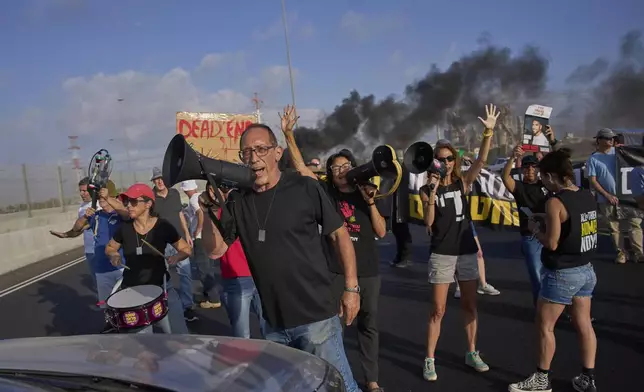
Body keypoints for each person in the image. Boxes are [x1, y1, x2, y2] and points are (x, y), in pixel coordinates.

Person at [201, 123, 362, 392]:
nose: (254, 157)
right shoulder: (238, 200)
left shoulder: (304, 187)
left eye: (261, 149)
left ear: (277, 152)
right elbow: (215, 250)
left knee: (339, 387)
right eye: (247, 152)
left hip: (316, 318)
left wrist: (351, 288)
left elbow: (339, 234)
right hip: (273, 324)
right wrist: (206, 210)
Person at [279, 105, 387, 392]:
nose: (340, 171)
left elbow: (381, 231)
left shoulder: (368, 193)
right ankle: (334, 377)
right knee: (330, 330)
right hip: (335, 271)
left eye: (345, 166)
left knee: (369, 326)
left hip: (368, 272)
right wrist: (288, 134)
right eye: (335, 167)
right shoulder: (325, 192)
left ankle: (372, 380)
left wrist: (372, 201)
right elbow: (302, 169)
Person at [419, 104, 500, 382]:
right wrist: (432, 190)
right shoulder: (426, 188)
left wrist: (488, 132)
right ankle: (429, 359)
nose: (446, 163)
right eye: (441, 159)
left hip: (465, 251)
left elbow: (481, 161)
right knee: (438, 309)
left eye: (450, 158)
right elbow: (428, 222)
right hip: (441, 252)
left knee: (470, 306)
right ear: (435, 162)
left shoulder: (463, 182)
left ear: (455, 159)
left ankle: (472, 352)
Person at [510, 148, 598, 392]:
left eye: (543, 175)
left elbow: (552, 243)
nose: (542, 181)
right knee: (584, 324)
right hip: (586, 271)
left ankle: (541, 379)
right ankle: (587, 377)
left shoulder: (555, 201)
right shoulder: (587, 195)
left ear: (550, 176)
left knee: (545, 325)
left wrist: (536, 230)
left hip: (562, 272)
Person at [105, 183, 193, 334]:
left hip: (162, 288)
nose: (129, 206)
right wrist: (114, 255)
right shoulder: (124, 228)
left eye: (133, 202)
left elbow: (186, 249)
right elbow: (110, 247)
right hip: (132, 291)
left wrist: (177, 257)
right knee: (142, 349)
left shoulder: (162, 226)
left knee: (179, 338)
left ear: (148, 204)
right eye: (127, 202)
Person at [200, 183, 265, 339]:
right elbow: (212, 250)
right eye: (211, 189)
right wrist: (208, 211)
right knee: (242, 332)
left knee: (271, 329)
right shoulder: (215, 211)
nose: (214, 192)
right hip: (236, 277)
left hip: (260, 273)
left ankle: (272, 360)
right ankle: (242, 362)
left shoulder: (243, 203)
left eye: (218, 188)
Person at [71, 185, 128, 333]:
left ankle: (128, 326)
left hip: (121, 266)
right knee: (107, 303)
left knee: (125, 301)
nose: (101, 201)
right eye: (100, 198)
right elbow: (77, 228)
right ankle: (111, 325)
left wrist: (108, 197)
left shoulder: (121, 215)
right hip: (102, 268)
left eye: (104, 198)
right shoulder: (96, 216)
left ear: (112, 197)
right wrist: (85, 216)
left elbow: (126, 213)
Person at [502, 148, 551, 306]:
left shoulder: (546, 185)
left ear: (538, 169)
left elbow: (561, 171)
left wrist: (551, 143)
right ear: (522, 170)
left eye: (533, 166)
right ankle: (540, 308)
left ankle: (562, 308)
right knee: (537, 275)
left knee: (556, 274)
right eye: (527, 167)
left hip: (552, 234)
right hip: (531, 237)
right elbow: (504, 177)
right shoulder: (519, 187)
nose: (530, 169)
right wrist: (512, 157)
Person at [587, 128, 643, 263]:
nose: (611, 140)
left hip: (628, 197)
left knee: (634, 224)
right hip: (606, 199)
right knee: (614, 228)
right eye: (607, 138)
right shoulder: (593, 158)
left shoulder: (620, 153)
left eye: (612, 138)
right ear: (598, 140)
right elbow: (593, 180)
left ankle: (639, 253)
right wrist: (607, 195)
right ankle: (621, 253)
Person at [150, 167, 198, 321]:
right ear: (154, 182)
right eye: (156, 179)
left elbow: (180, 214)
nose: (160, 181)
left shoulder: (175, 193)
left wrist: (187, 234)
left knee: (185, 274)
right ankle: (164, 307)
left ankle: (187, 307)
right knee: (162, 276)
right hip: (161, 242)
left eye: (161, 178)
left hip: (179, 240)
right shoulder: (151, 198)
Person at [50, 177, 98, 296]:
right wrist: (65, 235)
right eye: (80, 191)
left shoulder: (99, 205)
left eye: (85, 191)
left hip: (102, 249)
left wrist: (67, 234)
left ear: (92, 190)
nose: (82, 193)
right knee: (99, 284)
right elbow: (80, 229)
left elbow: (81, 227)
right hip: (90, 250)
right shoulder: (82, 207)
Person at [180, 180, 221, 309]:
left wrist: (198, 229)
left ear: (185, 190)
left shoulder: (193, 199)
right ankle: (208, 294)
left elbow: (200, 213)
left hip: (200, 238)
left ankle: (214, 298)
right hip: (209, 236)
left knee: (203, 268)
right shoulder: (202, 196)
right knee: (208, 267)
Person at [454, 221, 500, 298]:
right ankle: (459, 287)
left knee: (478, 252)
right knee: (457, 255)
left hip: (466, 221)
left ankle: (483, 284)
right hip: (453, 223)